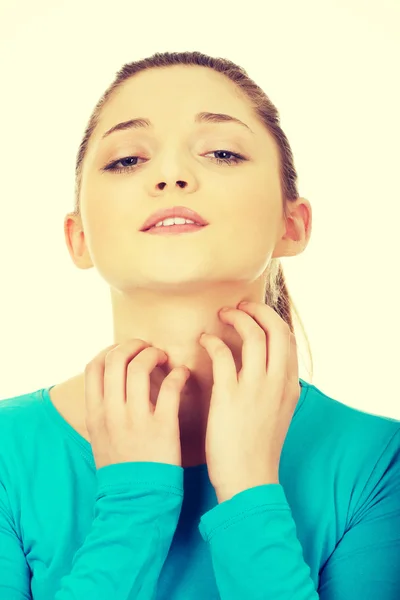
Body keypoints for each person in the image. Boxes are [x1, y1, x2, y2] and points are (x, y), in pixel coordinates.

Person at [1, 50, 399, 600]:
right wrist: (134, 504)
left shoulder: (381, 462)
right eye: (125, 160)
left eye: (222, 152)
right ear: (79, 238)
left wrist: (249, 490)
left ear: (293, 223)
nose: (171, 175)